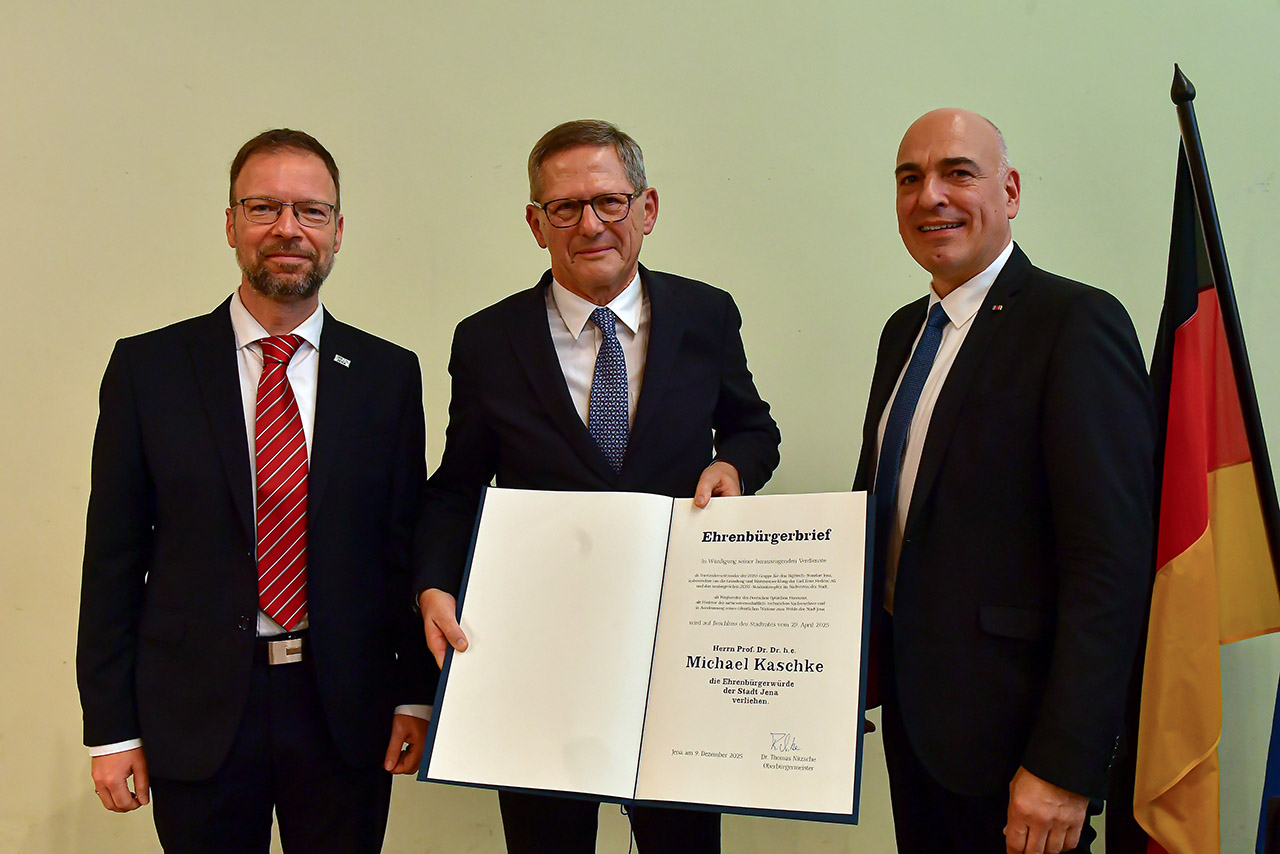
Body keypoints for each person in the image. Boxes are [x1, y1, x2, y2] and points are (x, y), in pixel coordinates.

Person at [415, 119, 781, 854]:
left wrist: (734, 468)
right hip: (540, 657)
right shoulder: (487, 340)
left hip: (677, 649)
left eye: (610, 202)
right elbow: (457, 486)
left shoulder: (706, 315)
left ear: (646, 210)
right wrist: (432, 586)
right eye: (565, 208)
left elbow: (754, 429)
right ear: (535, 223)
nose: (591, 224)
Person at [76, 128, 433, 853]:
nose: (288, 230)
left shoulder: (388, 376)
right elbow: (112, 561)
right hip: (198, 710)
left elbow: (402, 550)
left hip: (343, 710)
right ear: (231, 224)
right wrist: (110, 729)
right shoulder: (150, 370)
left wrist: (413, 694)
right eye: (265, 208)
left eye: (311, 211)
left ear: (338, 230)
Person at [853, 109, 1154, 854]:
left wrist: (1065, 763)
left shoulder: (1074, 322)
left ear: (1010, 191)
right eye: (909, 178)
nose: (931, 196)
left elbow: (1109, 566)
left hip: (1020, 747)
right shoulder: (904, 332)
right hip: (918, 726)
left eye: (958, 172)